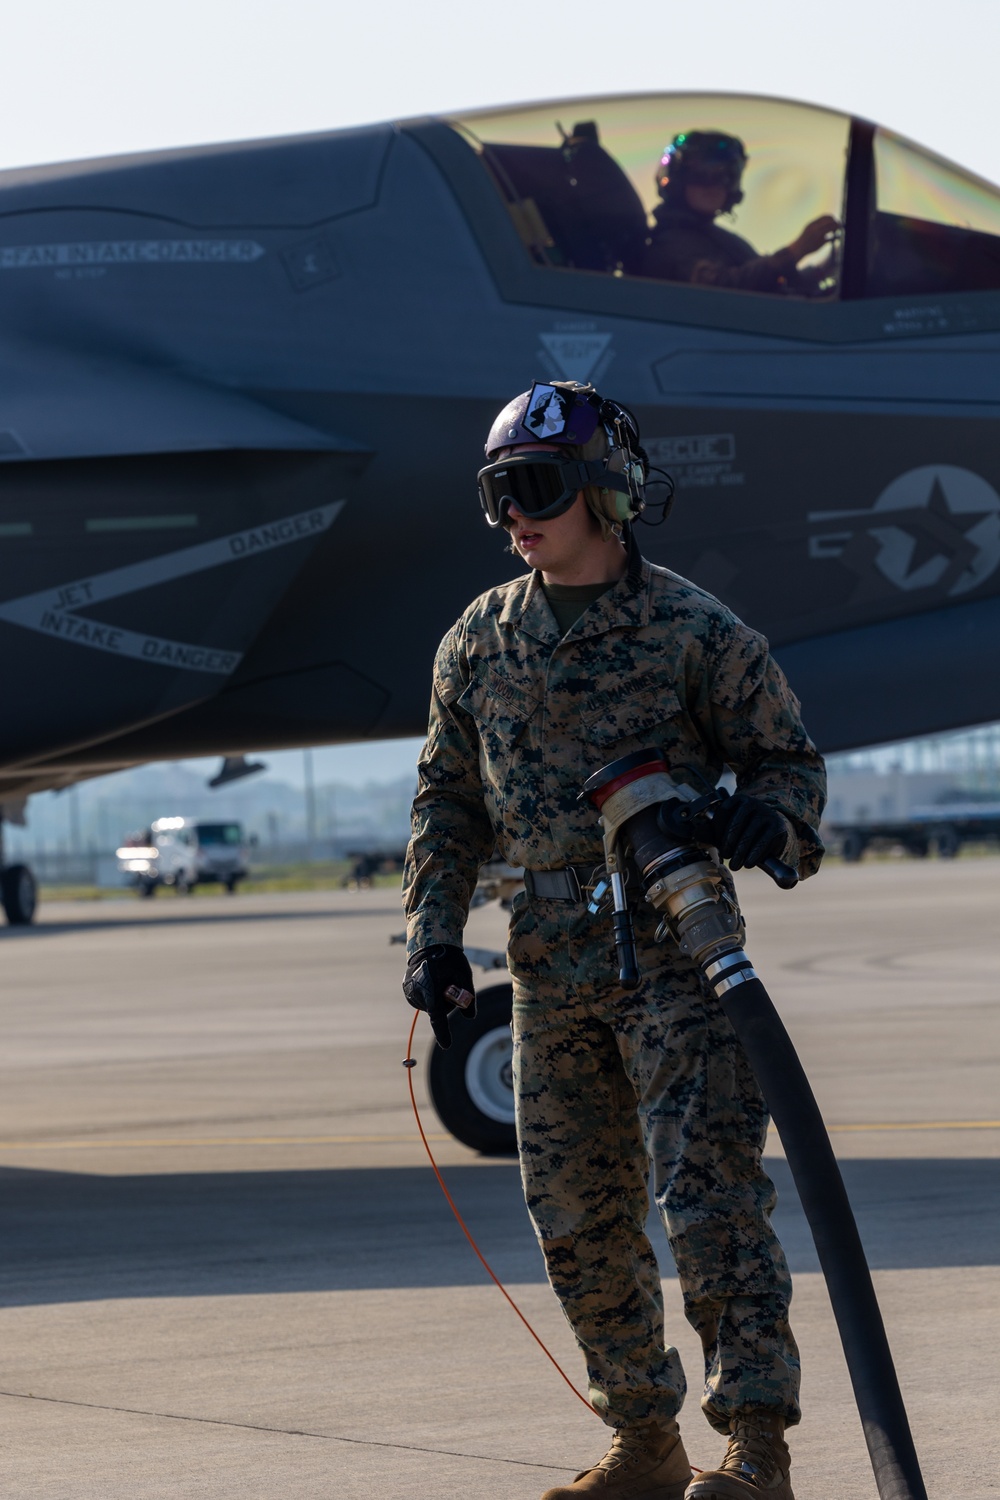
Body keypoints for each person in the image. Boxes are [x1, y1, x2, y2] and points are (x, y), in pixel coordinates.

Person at [401, 379, 826, 1500]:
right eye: (497, 496)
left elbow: (789, 769)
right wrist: (435, 934)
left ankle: (756, 1452)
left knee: (710, 1202)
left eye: (533, 490)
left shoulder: (695, 632)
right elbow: (447, 799)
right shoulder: (479, 643)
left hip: (679, 964)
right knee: (578, 1220)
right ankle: (645, 1440)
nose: (513, 518)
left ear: (605, 492)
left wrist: (762, 819)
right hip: (546, 965)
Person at [641, 130, 838, 295]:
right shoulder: (670, 243)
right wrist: (796, 250)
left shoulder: (718, 239)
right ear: (677, 180)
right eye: (701, 175)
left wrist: (826, 267)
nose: (713, 185)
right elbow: (724, 291)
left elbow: (770, 288)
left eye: (725, 176)